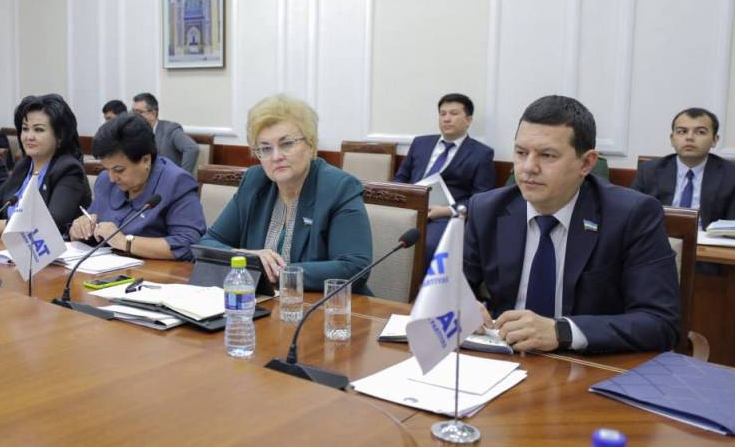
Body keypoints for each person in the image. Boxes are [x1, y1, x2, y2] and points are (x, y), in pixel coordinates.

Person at [464, 95, 680, 354]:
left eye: (547, 155)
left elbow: (660, 322)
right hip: (504, 358)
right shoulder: (487, 209)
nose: (528, 167)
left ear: (586, 163)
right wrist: (459, 305)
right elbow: (449, 288)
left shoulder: (631, 215)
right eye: (521, 153)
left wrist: (563, 331)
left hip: (587, 364)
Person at [199, 94, 372, 292]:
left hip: (325, 304)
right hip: (263, 302)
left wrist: (276, 271)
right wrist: (247, 257)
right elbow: (207, 245)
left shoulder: (338, 187)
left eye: (287, 144)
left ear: (311, 144)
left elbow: (354, 267)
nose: (276, 156)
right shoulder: (255, 181)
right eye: (265, 148)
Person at [69, 113, 206, 260]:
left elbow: (189, 244)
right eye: (107, 169)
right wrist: (79, 230)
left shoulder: (177, 182)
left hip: (154, 271)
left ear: (145, 160)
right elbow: (94, 228)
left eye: (119, 170)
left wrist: (125, 242)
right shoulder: (105, 181)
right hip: (103, 268)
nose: (112, 178)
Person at [0, 94, 90, 235]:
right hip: (6, 245)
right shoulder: (23, 165)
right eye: (25, 129)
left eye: (38, 130)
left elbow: (50, 224)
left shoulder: (69, 169)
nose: (29, 136)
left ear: (60, 137)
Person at [394, 92, 495, 266]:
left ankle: (419, 284)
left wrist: (447, 210)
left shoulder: (481, 154)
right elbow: (401, 177)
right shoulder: (420, 143)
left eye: (454, 113)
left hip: (443, 216)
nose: (446, 119)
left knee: (426, 246)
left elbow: (481, 199)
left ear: (468, 120)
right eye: (442, 114)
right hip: (408, 208)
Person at [632, 107, 735, 228]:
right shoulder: (649, 170)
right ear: (672, 139)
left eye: (700, 132)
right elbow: (632, 212)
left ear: (714, 140)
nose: (689, 137)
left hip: (708, 238)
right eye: (682, 131)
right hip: (660, 236)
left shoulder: (730, 174)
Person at [132, 92, 200, 176]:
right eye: (133, 112)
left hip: (167, 179)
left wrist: (183, 177)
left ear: (153, 114)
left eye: (139, 112)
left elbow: (192, 148)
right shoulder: (134, 132)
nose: (134, 116)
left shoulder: (170, 130)